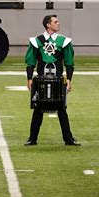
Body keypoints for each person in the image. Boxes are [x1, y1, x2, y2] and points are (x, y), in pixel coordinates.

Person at [24, 15, 81, 146]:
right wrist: (29, 78)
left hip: (58, 80)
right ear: (48, 25)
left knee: (61, 109)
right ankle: (32, 138)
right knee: (38, 108)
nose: (58, 23)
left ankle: (68, 139)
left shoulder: (64, 41)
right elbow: (31, 61)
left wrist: (69, 80)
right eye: (55, 22)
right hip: (41, 80)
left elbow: (69, 62)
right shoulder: (37, 40)